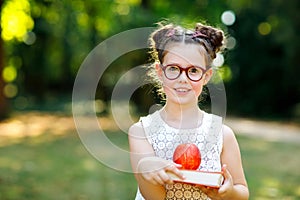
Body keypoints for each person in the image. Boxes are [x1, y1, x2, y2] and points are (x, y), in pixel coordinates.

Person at [128, 22, 249, 200]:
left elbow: (242, 191)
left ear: (206, 76)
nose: (183, 78)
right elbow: (153, 196)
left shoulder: (222, 134)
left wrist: (228, 192)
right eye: (174, 69)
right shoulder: (141, 131)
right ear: (160, 72)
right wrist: (146, 167)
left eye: (193, 70)